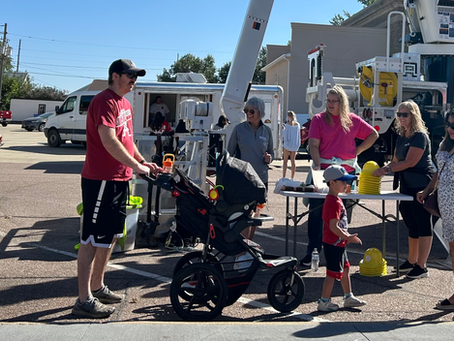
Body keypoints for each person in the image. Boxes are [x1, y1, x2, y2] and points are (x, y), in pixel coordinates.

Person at [73, 59, 161, 319]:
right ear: (115, 76)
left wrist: (142, 162)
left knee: (110, 236)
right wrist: (136, 166)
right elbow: (108, 139)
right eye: (130, 75)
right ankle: (83, 300)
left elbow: (127, 139)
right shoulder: (104, 101)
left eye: (135, 76)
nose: (134, 80)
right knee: (91, 239)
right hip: (101, 180)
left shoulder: (125, 104)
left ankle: (97, 287)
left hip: (119, 179)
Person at [301, 85, 378, 267]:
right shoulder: (319, 120)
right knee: (316, 213)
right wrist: (318, 165)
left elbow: (373, 134)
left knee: (341, 215)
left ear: (342, 102)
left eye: (334, 101)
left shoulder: (352, 120)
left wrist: (357, 150)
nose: (330, 104)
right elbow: (313, 144)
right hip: (324, 173)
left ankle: (338, 252)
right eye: (328, 100)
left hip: (346, 175)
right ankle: (313, 251)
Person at [373, 100, 435, 279]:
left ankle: (422, 266)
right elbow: (395, 161)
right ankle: (411, 261)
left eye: (405, 114)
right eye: (399, 114)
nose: (401, 117)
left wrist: (386, 170)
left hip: (421, 184)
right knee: (410, 220)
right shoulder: (402, 135)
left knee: (422, 222)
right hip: (406, 186)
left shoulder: (420, 136)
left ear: (413, 116)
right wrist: (381, 169)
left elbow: (410, 162)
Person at [417, 111, 454, 309]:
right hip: (447, 208)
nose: (450, 129)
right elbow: (439, 173)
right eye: (449, 124)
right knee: (453, 252)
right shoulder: (445, 145)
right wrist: (427, 191)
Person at [317, 165, 366, 312]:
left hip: (338, 242)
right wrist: (347, 237)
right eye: (342, 181)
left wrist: (344, 238)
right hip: (333, 243)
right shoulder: (333, 202)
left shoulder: (335, 200)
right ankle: (324, 301)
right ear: (332, 182)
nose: (346, 184)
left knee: (345, 268)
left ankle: (348, 296)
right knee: (332, 273)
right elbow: (333, 226)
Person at [227, 96, 274, 241]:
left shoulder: (267, 131)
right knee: (244, 215)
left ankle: (249, 246)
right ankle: (241, 248)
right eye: (246, 110)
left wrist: (269, 158)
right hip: (244, 179)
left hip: (261, 179)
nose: (248, 113)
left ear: (260, 112)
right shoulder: (239, 129)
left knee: (256, 215)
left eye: (252, 111)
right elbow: (229, 154)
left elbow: (271, 153)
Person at [282, 110, 301, 179]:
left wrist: (282, 130)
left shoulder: (287, 125)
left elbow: (284, 135)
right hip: (294, 145)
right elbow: (298, 135)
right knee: (293, 161)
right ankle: (292, 177)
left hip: (287, 145)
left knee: (285, 161)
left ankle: (284, 176)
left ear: (289, 117)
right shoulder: (298, 125)